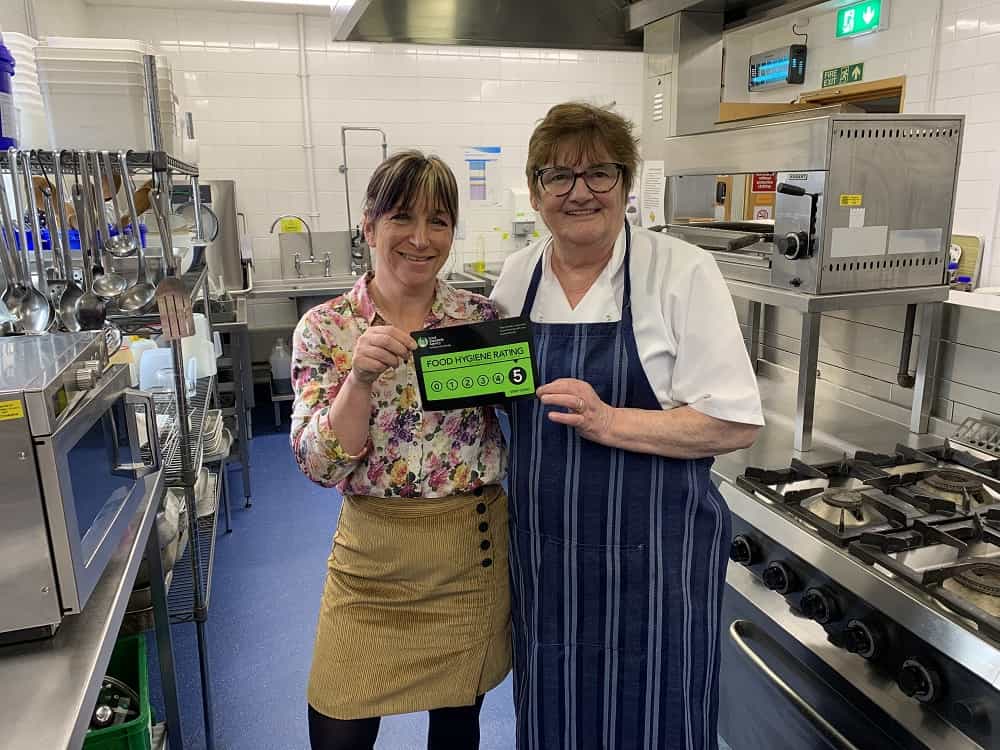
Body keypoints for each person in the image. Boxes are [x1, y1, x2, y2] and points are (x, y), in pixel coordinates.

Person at [491, 102, 764, 750]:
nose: (579, 192)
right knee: (553, 713)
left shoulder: (680, 272)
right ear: (535, 192)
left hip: (654, 563)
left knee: (656, 719)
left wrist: (611, 421)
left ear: (626, 183)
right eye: (558, 176)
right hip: (545, 560)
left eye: (599, 174)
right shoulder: (517, 276)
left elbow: (734, 423)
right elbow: (496, 397)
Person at [291, 150, 510, 750]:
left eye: (438, 222)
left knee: (457, 730)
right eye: (402, 219)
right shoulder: (327, 328)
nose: (420, 238)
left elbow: (524, 425)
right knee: (337, 731)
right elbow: (318, 465)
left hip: (468, 556)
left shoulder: (477, 321)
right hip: (371, 564)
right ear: (369, 226)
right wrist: (357, 380)